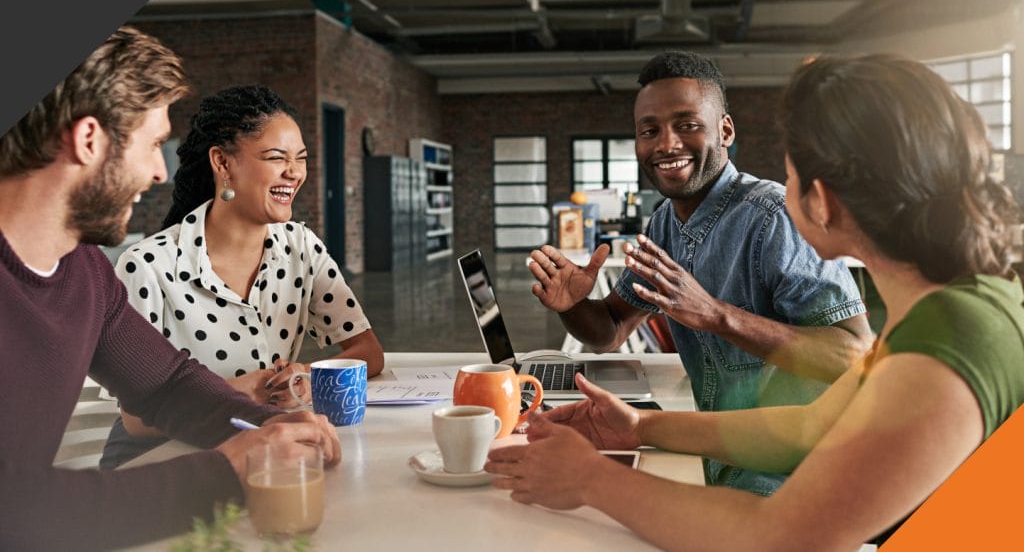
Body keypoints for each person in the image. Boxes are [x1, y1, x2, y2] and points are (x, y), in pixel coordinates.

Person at [488, 54, 1024, 550]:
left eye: (788, 174)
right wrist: (638, 428)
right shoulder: (957, 308)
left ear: (824, 202)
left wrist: (589, 478)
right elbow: (809, 427)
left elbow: (778, 538)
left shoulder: (943, 345)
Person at [0, 26, 341, 551]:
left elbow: (166, 385)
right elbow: (14, 508)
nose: (160, 173)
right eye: (154, 143)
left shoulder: (84, 270)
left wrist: (274, 428)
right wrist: (227, 474)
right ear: (89, 139)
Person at [528, 51, 873, 494]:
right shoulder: (664, 223)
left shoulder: (772, 216)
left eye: (687, 124)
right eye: (649, 131)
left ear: (725, 130)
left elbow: (854, 358)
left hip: (792, 476)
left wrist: (715, 314)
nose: (666, 144)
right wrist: (573, 304)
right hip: (716, 454)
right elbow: (610, 330)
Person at [100, 84, 384, 468]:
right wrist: (239, 392)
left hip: (261, 447)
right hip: (159, 464)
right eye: (275, 157)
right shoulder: (148, 266)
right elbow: (136, 420)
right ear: (223, 163)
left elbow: (368, 352)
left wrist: (306, 375)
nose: (295, 172)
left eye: (300, 158)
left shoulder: (302, 246)